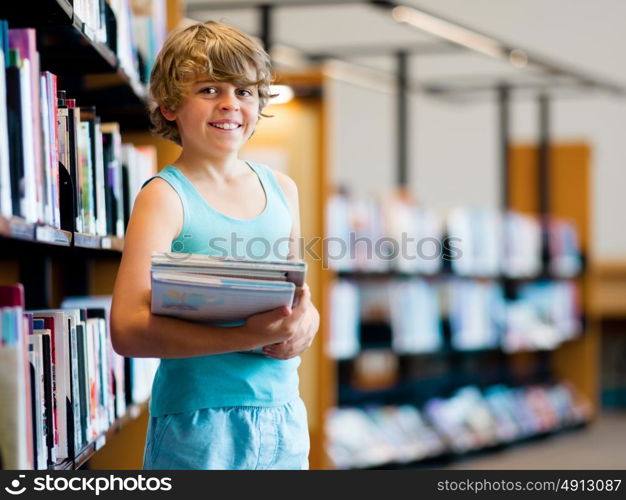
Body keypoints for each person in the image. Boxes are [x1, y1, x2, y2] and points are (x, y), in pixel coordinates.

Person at [110, 20, 320, 470]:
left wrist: (305, 327)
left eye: (244, 92)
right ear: (169, 105)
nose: (230, 104)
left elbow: (299, 298)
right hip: (199, 425)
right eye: (209, 90)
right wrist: (248, 336)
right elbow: (126, 328)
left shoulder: (283, 189)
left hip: (282, 417)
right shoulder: (164, 196)